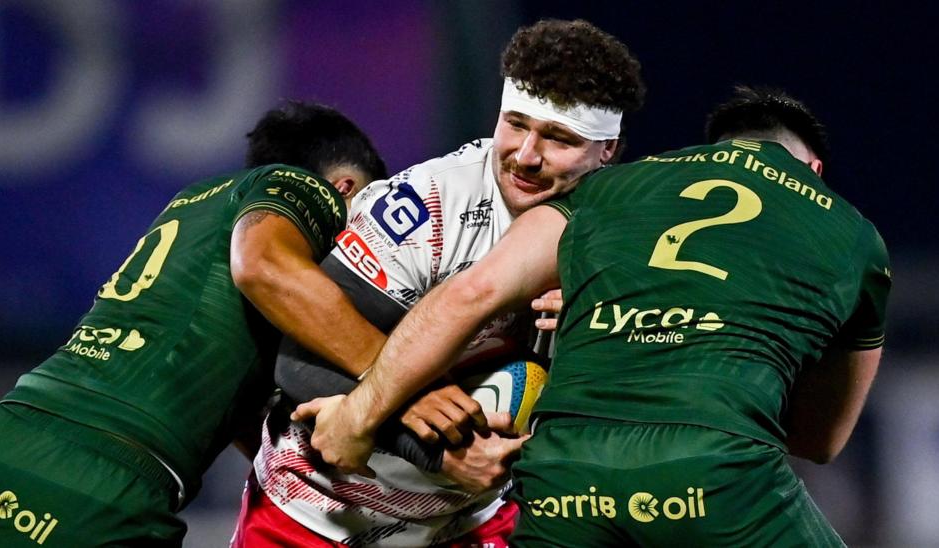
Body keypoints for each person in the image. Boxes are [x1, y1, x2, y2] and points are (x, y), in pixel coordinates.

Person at [296, 85, 892, 546]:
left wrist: (359, 413)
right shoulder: (850, 232)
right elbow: (819, 439)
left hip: (564, 474)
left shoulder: (611, 190)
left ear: (710, 152)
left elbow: (469, 295)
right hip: (717, 471)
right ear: (812, 170)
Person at [233, 18, 645, 548]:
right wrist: (434, 443)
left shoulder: (629, 232)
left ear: (606, 149)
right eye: (515, 124)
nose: (526, 156)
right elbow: (300, 363)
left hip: (467, 521)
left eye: (559, 138)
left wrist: (600, 326)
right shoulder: (426, 205)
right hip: (317, 511)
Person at [0, 101, 388, 546]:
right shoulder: (301, 187)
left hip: (17, 429)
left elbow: (238, 412)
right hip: (104, 480)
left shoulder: (194, 204)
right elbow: (261, 267)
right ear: (344, 187)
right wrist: (395, 379)